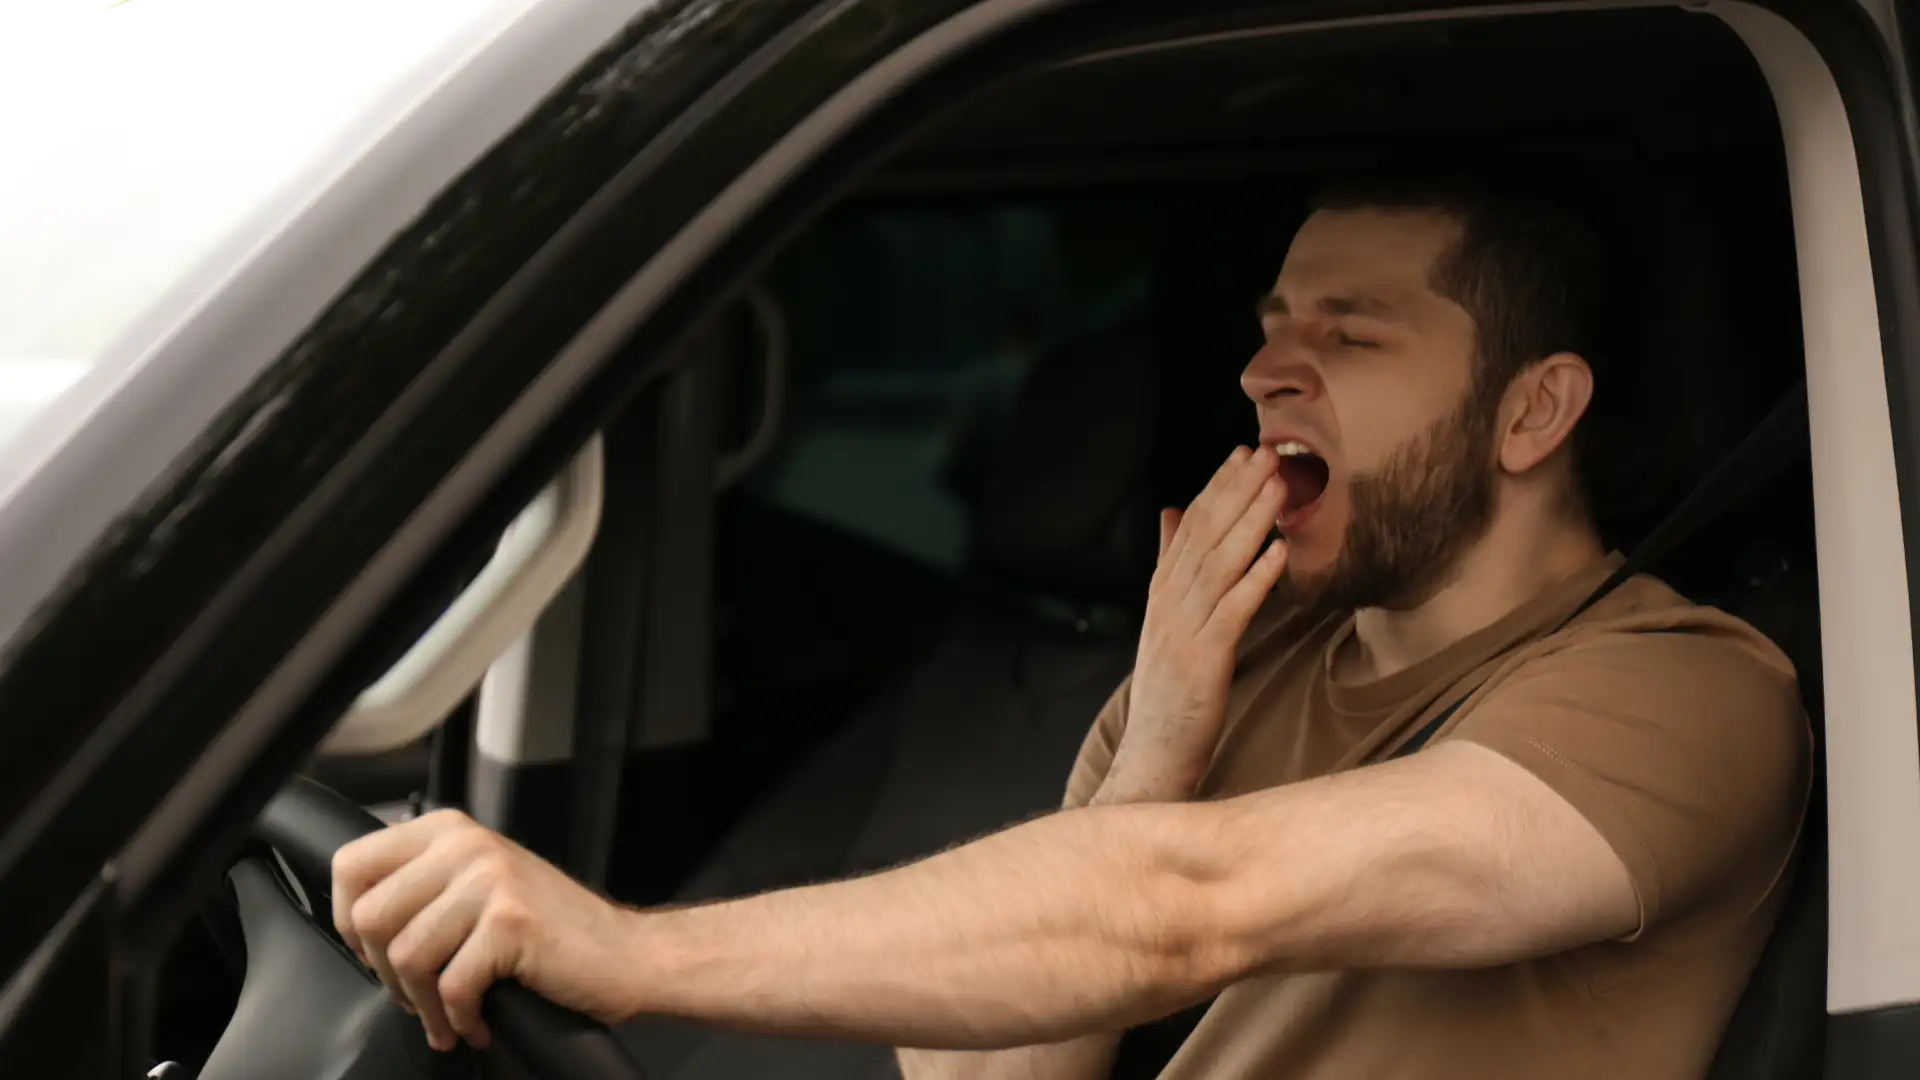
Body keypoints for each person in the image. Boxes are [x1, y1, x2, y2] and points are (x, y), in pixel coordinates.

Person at [331, 169, 1810, 1079]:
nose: (1266, 375)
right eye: (1271, 325)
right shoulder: (1227, 662)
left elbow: (1183, 905)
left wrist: (630, 955)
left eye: (1350, 334)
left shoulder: (1681, 694)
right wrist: (1160, 731)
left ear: (1534, 410)